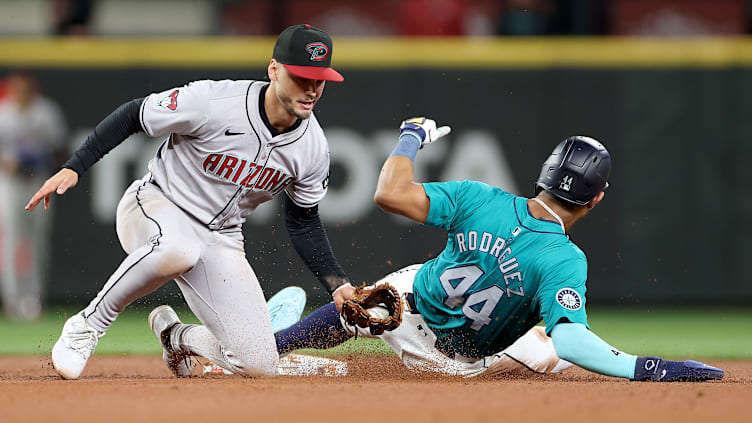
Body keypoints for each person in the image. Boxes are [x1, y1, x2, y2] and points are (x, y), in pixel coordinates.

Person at [272, 118, 724, 382]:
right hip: (452, 364)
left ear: (543, 175)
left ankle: (273, 347)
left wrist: (412, 135)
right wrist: (654, 368)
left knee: (369, 302)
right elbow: (572, 340)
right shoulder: (564, 259)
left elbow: (389, 193)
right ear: (597, 198)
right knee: (553, 353)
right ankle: (291, 358)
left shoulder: (479, 198)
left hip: (400, 307)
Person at [26, 24, 354, 380]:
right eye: (301, 77)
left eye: (319, 80)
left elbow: (303, 222)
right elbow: (135, 114)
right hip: (155, 204)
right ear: (274, 69)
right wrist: (75, 167)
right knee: (178, 249)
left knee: (261, 364)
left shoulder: (313, 148)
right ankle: (87, 325)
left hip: (221, 238)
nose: (311, 89)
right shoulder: (215, 102)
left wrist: (338, 284)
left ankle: (176, 335)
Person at [0, 71, 68, 320]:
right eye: (16, 89)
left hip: (39, 181)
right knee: (12, 243)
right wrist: (9, 164)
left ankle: (33, 300)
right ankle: (12, 300)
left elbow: (60, 146)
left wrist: (41, 157)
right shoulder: (3, 112)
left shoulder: (45, 112)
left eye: (24, 89)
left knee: (37, 242)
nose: (21, 93)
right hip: (9, 183)